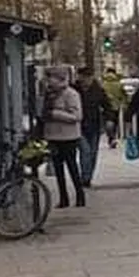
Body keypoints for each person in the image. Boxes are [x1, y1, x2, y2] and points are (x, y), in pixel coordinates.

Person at [38, 66, 86, 207]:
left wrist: (55, 114)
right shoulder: (48, 94)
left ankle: (80, 195)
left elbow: (77, 116)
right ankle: (63, 198)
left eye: (51, 78)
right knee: (58, 169)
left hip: (68, 137)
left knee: (72, 167)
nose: (48, 81)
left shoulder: (71, 94)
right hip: (52, 136)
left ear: (60, 79)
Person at [74, 66, 114, 191]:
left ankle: (88, 176)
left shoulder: (98, 90)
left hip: (94, 126)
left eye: (87, 77)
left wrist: (109, 119)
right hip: (78, 126)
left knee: (93, 153)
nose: (85, 80)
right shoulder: (74, 90)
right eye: (82, 77)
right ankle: (84, 178)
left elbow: (107, 106)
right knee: (85, 151)